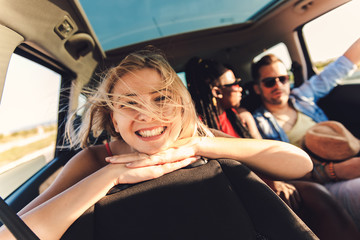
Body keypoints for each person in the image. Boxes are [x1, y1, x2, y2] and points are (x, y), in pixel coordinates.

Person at [0, 48, 314, 239]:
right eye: (129, 104)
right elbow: (11, 235)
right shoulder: (93, 160)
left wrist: (197, 147)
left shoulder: (196, 137)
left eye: (161, 99)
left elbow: (300, 163)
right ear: (114, 120)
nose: (148, 115)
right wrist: (111, 176)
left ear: (182, 107)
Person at [185, 57, 360, 239]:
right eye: (235, 84)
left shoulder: (241, 116)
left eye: (283, 78)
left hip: (267, 177)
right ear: (217, 92)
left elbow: (262, 151)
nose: (240, 88)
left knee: (315, 196)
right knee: (316, 194)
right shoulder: (202, 128)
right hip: (241, 186)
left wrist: (272, 179)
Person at [251, 38, 360, 230]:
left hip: (349, 157)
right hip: (318, 183)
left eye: (283, 79)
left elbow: (341, 67)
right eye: (269, 82)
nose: (278, 85)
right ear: (257, 88)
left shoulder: (303, 97)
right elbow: (273, 170)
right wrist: (334, 171)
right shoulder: (256, 123)